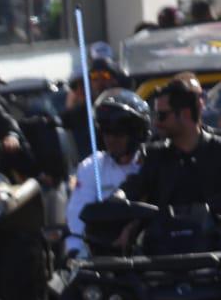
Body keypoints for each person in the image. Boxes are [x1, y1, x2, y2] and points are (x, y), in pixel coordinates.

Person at [64, 90, 149, 257]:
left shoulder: (153, 164)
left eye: (118, 132)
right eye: (106, 132)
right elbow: (77, 217)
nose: (111, 139)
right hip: (104, 258)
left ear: (136, 133)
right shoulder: (91, 167)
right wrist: (76, 256)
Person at [118, 79, 221, 210]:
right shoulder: (154, 155)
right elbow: (134, 187)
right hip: (163, 229)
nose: (156, 123)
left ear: (186, 114)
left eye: (162, 115)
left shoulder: (217, 150)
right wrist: (118, 196)